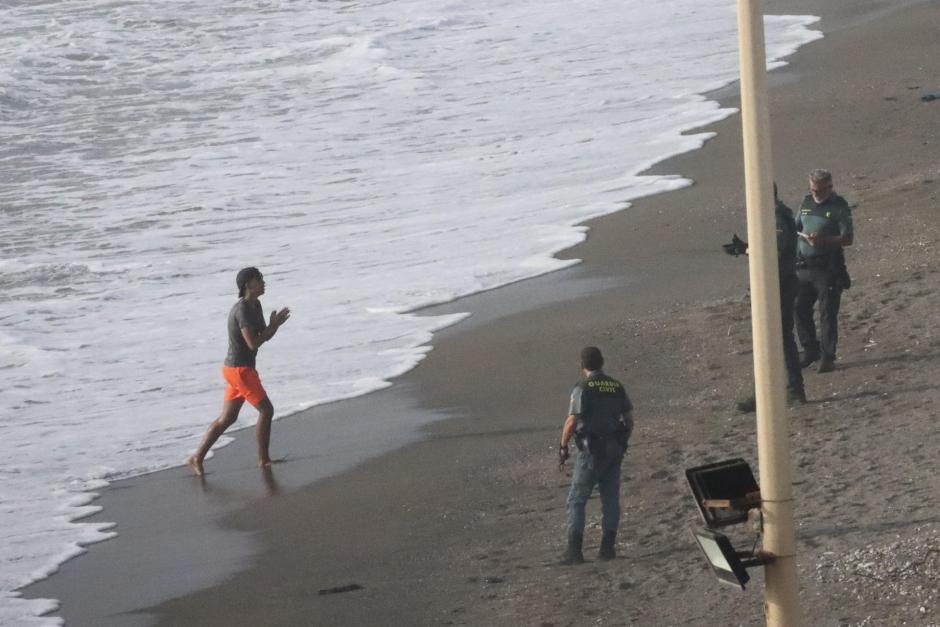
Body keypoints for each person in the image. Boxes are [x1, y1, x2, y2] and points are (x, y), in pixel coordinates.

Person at [188, 267, 290, 476]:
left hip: (236, 369)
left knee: (227, 418)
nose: (263, 282)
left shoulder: (256, 305)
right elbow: (253, 344)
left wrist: (274, 325)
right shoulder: (242, 310)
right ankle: (263, 460)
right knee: (266, 410)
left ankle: (196, 457)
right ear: (248, 285)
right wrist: (271, 328)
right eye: (259, 279)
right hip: (239, 370)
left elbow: (263, 336)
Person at [729, 182, 806, 412]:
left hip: (779, 283)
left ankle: (790, 390)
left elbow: (774, 250)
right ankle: (772, 391)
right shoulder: (770, 214)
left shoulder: (776, 217)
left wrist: (746, 250)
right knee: (774, 337)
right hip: (774, 282)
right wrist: (746, 247)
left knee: (778, 336)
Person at [558, 347, 633, 564]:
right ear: (602, 362)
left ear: (583, 366)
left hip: (591, 451)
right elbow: (629, 420)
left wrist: (563, 446)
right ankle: (607, 548)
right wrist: (622, 442)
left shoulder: (583, 388)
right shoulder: (616, 386)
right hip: (614, 448)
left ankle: (574, 551)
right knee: (610, 498)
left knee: (576, 499)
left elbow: (572, 421)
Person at [795, 169, 853, 373]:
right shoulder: (806, 202)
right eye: (813, 190)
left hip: (828, 267)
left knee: (827, 313)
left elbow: (848, 238)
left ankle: (828, 356)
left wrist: (823, 241)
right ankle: (810, 349)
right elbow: (796, 228)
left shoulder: (839, 207)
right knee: (799, 307)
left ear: (829, 187)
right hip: (804, 266)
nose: (816, 194)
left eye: (819, 191)